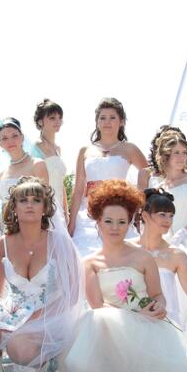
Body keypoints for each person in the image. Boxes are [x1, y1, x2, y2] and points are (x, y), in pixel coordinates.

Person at [61, 180, 187, 372]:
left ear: (130, 223)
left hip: (146, 323)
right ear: (98, 222)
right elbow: (97, 305)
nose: (115, 228)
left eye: (122, 222)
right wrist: (132, 313)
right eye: (108, 221)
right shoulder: (89, 262)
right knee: (96, 318)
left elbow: (157, 294)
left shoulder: (143, 257)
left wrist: (159, 306)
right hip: (109, 324)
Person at [0, 177, 84, 372]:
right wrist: (8, 311)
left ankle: (51, 370)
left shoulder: (60, 242)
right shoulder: (3, 243)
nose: (29, 205)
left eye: (36, 200)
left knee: (20, 349)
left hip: (53, 312)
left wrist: (38, 316)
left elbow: (72, 295)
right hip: (18, 309)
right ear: (14, 207)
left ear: (45, 208)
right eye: (23, 200)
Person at [68, 98, 148, 255]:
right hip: (88, 213)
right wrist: (72, 223)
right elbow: (78, 189)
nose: (107, 122)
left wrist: (138, 202)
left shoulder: (129, 149)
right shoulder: (85, 150)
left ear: (121, 121)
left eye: (112, 117)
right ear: (97, 122)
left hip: (119, 209)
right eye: (102, 118)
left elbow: (148, 174)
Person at [133, 188, 187, 328]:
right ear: (145, 216)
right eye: (162, 214)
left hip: (166, 323)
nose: (168, 220)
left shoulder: (177, 255)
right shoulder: (127, 249)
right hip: (132, 321)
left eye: (171, 216)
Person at [143, 129, 187, 258]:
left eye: (184, 153)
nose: (181, 157)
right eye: (176, 153)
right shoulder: (159, 186)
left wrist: (184, 232)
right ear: (166, 156)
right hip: (166, 239)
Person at [30, 99, 70, 226]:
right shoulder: (35, 147)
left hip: (60, 207)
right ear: (40, 121)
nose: (57, 121)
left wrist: (66, 211)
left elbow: (61, 183)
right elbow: (33, 182)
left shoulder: (58, 149)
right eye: (52, 118)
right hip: (45, 207)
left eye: (59, 118)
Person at [0, 118, 49, 209]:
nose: (10, 141)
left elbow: (45, 201)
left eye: (14, 136)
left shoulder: (37, 165)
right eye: (4, 138)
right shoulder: (2, 175)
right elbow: (2, 206)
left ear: (22, 137)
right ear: (0, 143)